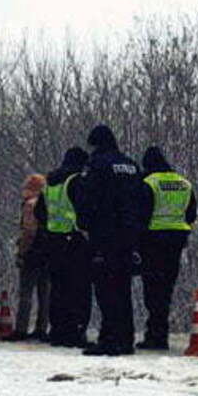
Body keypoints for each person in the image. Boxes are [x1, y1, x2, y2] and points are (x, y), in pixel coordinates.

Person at [72, 124, 151, 357]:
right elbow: (143, 198)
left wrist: (85, 223)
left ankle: (109, 339)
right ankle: (125, 339)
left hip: (105, 234)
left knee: (106, 289)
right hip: (129, 236)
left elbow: (87, 198)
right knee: (123, 287)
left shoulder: (97, 165)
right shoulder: (131, 165)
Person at [137, 146, 198, 350]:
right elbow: (191, 214)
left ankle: (155, 335)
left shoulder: (149, 183)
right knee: (166, 289)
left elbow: (141, 214)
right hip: (176, 242)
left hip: (153, 241)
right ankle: (160, 333)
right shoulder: (183, 183)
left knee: (153, 290)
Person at [34, 146, 90, 347]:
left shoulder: (49, 183)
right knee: (79, 287)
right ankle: (76, 331)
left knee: (58, 287)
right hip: (75, 239)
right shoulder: (76, 181)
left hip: (53, 240)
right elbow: (85, 210)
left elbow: (40, 212)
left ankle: (58, 330)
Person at [10, 171, 49, 340]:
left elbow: (28, 231)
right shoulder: (48, 202)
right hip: (47, 251)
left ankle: (21, 328)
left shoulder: (29, 204)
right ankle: (42, 327)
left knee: (26, 292)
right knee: (45, 292)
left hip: (32, 252)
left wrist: (22, 252)